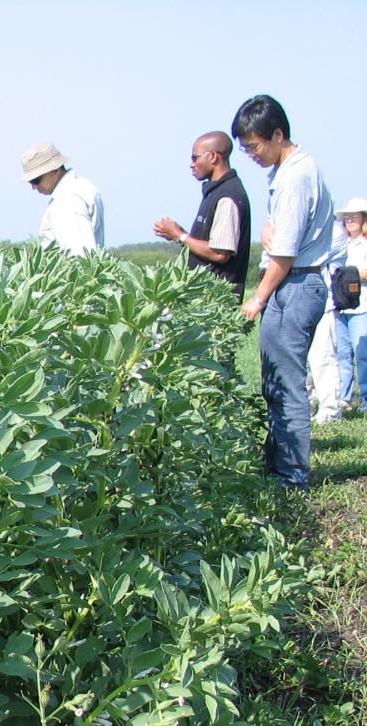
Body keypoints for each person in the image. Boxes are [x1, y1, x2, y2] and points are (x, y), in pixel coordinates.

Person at [232, 93, 335, 488]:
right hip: (293, 282)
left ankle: (291, 476)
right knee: (274, 381)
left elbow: (284, 254)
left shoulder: (295, 177)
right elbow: (276, 240)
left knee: (286, 384)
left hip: (296, 284)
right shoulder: (287, 171)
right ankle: (279, 465)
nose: (252, 155)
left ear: (277, 135)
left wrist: (257, 300)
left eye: (255, 146)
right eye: (245, 148)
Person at [152, 131, 251, 298]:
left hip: (215, 302)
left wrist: (180, 236)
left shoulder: (227, 196)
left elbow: (220, 253)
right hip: (205, 301)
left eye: (195, 158)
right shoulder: (215, 191)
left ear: (213, 157)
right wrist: (179, 234)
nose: (191, 164)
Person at [20, 141, 104, 255]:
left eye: (36, 180)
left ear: (55, 171)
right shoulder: (82, 187)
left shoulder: (67, 200)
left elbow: (79, 257)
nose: (34, 187)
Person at [334, 198, 367, 411]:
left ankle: (365, 398)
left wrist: (354, 276)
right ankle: (344, 397)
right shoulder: (340, 244)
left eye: (355, 215)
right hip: (340, 306)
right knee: (342, 354)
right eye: (347, 217)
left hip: (362, 305)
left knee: (362, 354)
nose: (350, 219)